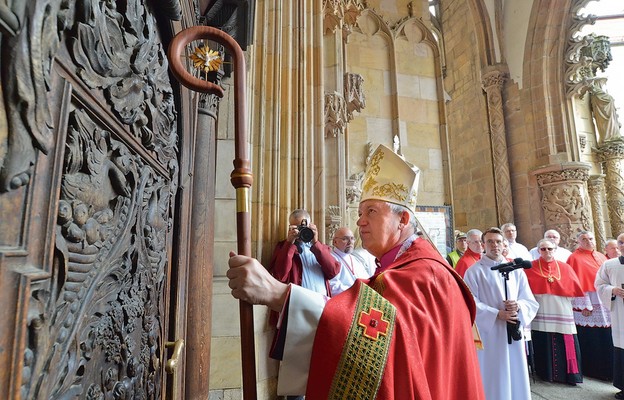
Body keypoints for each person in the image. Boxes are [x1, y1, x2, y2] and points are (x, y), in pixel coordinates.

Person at [227, 144, 485, 399]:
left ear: (403, 220)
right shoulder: (409, 267)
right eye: (360, 212)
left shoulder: (423, 275)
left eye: (371, 211)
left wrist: (278, 293)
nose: (360, 220)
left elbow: (369, 340)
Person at [463, 227, 538, 400]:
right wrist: (496, 313)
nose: (494, 245)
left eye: (498, 241)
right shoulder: (474, 271)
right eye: (490, 241)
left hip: (512, 329)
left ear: (504, 244)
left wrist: (518, 306)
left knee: (515, 370)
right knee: (494, 372)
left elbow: (529, 300)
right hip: (490, 333)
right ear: (483, 245)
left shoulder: (516, 270)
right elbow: (470, 302)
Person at [525, 238, 584, 385]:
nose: (546, 252)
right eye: (543, 249)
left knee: (566, 339)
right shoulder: (530, 267)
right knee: (543, 339)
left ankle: (570, 375)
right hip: (541, 310)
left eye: (549, 249)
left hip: (562, 309)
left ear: (554, 249)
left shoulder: (565, 267)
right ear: (538, 251)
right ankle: (546, 373)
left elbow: (574, 289)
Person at [567, 230, 613, 381]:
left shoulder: (600, 255)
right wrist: (584, 305)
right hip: (588, 304)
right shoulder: (574, 258)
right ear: (579, 242)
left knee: (607, 335)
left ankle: (609, 369)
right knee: (592, 337)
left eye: (591, 238)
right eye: (584, 239)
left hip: (605, 301)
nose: (588, 241)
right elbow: (575, 282)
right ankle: (594, 370)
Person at [269, 208, 340, 297]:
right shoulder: (283, 247)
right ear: (290, 227)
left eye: (303, 227)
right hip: (297, 304)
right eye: (297, 228)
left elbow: (333, 271)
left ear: (310, 226)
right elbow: (280, 276)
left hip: (321, 304)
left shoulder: (320, 247)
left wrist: (315, 243)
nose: (300, 231)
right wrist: (289, 244)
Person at [595, 233, 624, 399]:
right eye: (620, 242)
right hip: (620, 314)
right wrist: (612, 290)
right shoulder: (609, 264)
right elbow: (599, 284)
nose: (623, 245)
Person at [329, 226, 372, 296]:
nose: (350, 242)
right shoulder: (331, 258)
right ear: (335, 242)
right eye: (345, 239)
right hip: (346, 300)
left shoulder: (354, 259)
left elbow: (366, 279)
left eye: (352, 238)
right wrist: (356, 292)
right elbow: (332, 286)